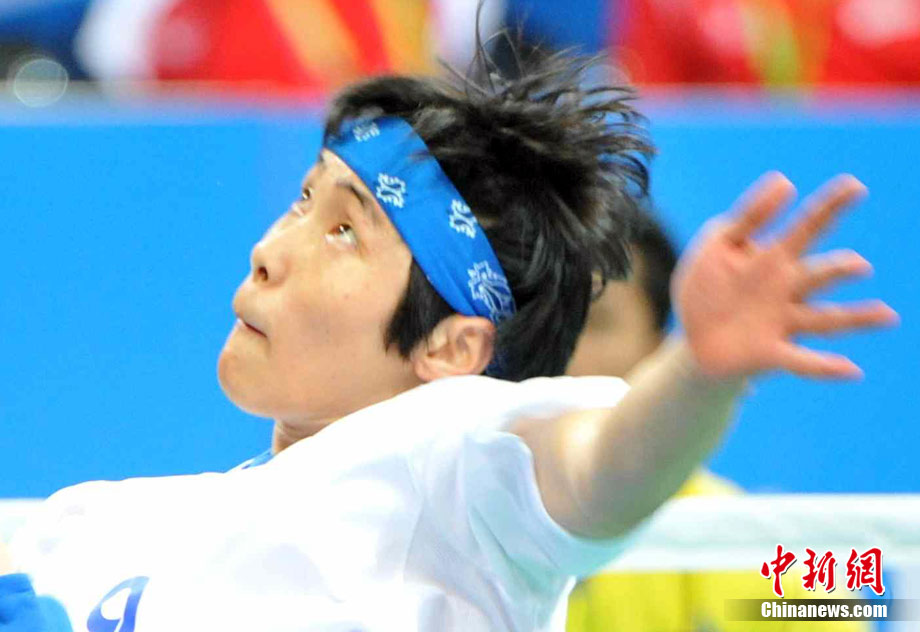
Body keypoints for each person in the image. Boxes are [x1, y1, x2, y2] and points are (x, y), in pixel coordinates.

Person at [0, 40, 896, 632]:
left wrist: (698, 370)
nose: (270, 251)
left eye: (344, 230)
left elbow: (602, 474)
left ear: (452, 350)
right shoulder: (95, 522)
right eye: (302, 201)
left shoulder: (449, 470)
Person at [565, 213, 869, 632]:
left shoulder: (782, 571)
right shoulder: (471, 525)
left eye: (594, 323)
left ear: (659, 350)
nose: (558, 349)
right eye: (532, 319)